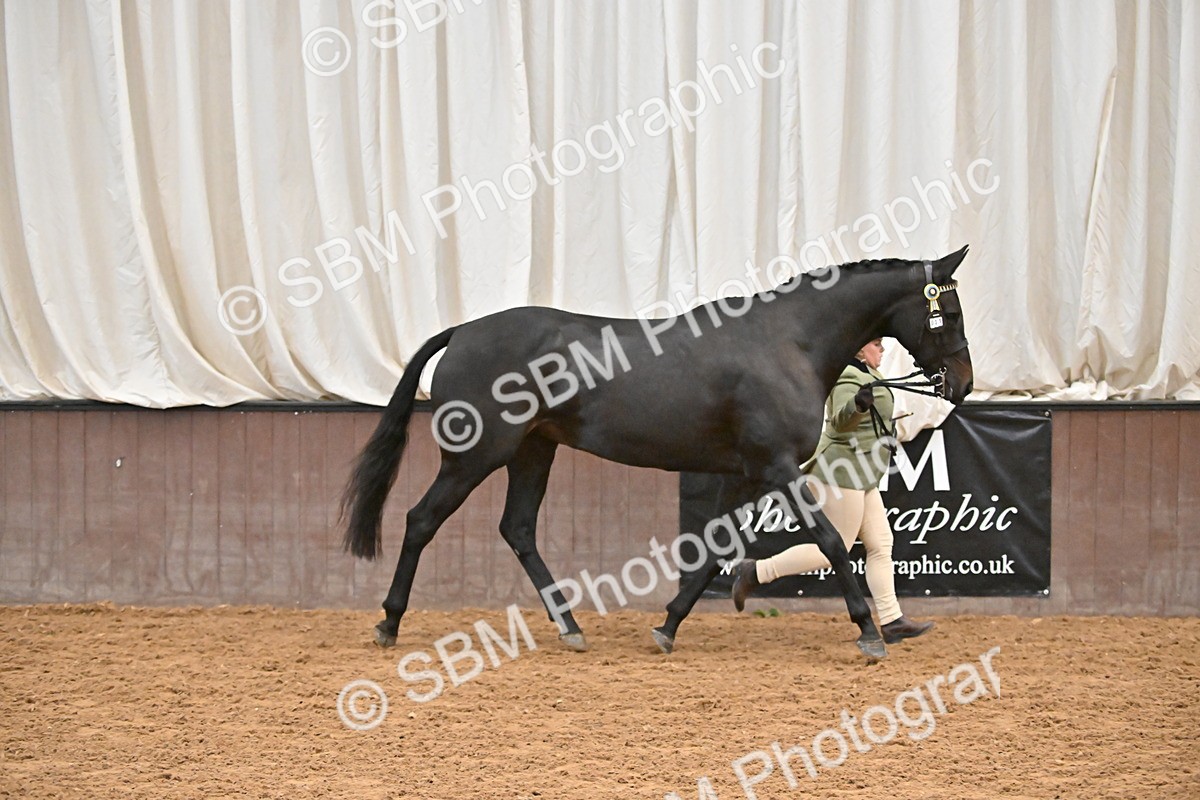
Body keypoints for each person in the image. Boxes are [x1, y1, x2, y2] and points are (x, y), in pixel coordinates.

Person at [730, 338, 935, 644]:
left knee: (881, 543)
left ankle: (892, 620)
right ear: (859, 348)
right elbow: (840, 422)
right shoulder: (847, 375)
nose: (883, 350)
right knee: (834, 549)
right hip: (841, 473)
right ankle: (756, 572)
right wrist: (856, 405)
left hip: (862, 474)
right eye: (877, 345)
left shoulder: (871, 374)